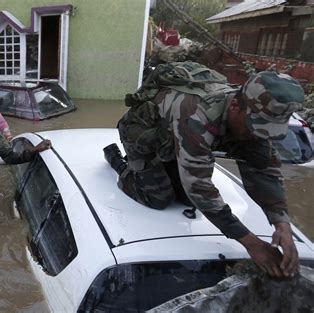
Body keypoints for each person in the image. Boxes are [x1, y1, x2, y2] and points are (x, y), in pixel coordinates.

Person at [104, 69, 305, 278]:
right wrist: (252, 243)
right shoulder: (197, 114)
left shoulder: (252, 117)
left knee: (185, 199)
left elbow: (264, 170)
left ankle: (164, 162)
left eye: (265, 130)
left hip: (174, 137)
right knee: (159, 199)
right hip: (142, 134)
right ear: (235, 106)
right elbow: (200, 188)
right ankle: (124, 167)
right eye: (255, 127)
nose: (257, 136)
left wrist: (282, 225)